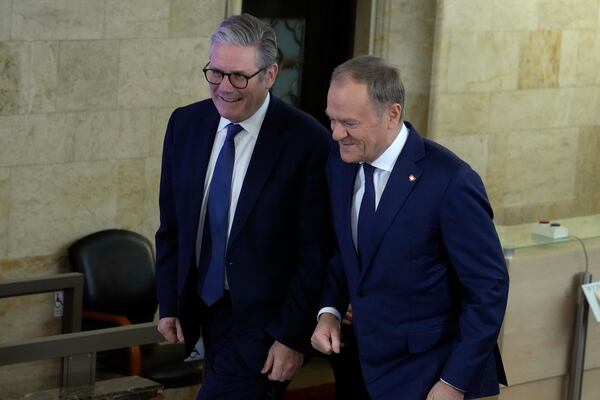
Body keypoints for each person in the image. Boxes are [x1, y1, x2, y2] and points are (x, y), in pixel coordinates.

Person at [155, 14, 332, 400]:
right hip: (199, 310)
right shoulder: (184, 125)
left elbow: (314, 253)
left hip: (261, 324)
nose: (224, 87)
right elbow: (172, 225)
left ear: (270, 74)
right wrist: (169, 301)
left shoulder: (307, 142)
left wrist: (291, 336)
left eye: (239, 76)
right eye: (215, 73)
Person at [311, 55, 509, 400]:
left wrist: (454, 382)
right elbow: (345, 251)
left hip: (428, 375)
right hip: (358, 366)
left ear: (392, 114)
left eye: (350, 123)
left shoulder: (451, 181)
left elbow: (488, 289)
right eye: (332, 120)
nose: (337, 133)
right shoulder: (340, 162)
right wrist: (327, 311)